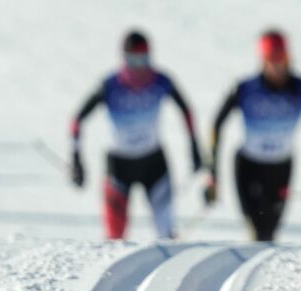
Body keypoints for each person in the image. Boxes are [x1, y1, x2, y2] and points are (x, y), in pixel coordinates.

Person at [69, 30, 202, 240]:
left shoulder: (161, 81)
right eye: (133, 60)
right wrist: (76, 158)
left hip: (154, 164)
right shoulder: (110, 86)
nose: (139, 67)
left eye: (144, 59)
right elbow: (77, 120)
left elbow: (186, 111)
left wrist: (194, 148)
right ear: (124, 58)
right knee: (114, 238)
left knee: (167, 233)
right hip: (119, 167)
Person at [205, 30, 301, 243]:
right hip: (248, 168)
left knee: (270, 231)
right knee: (257, 230)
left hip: (281, 168)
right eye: (271, 61)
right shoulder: (244, 89)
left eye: (281, 60)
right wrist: (212, 173)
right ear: (263, 61)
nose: (277, 67)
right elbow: (217, 125)